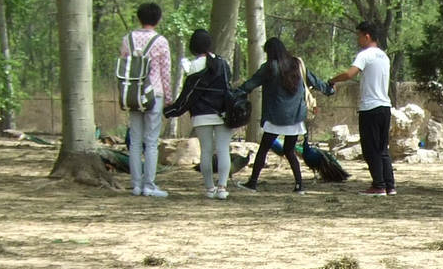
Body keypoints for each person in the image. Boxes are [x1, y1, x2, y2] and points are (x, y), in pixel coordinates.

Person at [235, 37, 333, 192]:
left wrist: (234, 93)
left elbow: (251, 84)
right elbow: (315, 81)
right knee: (289, 151)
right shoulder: (297, 65)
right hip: (295, 117)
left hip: (275, 117)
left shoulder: (269, 67)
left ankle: (252, 183)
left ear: (270, 52)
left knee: (263, 149)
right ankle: (299, 185)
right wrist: (329, 89)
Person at [163, 29, 233, 200]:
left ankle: (209, 188)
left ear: (193, 47)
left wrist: (171, 110)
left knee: (206, 151)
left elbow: (189, 93)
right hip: (224, 113)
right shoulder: (223, 63)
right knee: (223, 150)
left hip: (201, 115)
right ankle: (222, 187)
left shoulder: (194, 66)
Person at [329, 21, 395, 196]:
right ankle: (389, 185)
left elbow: (350, 74)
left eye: (358, 36)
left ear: (367, 36)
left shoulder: (365, 55)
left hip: (370, 108)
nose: (357, 40)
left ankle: (378, 185)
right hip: (385, 106)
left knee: (370, 148)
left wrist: (332, 80)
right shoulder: (384, 56)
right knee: (382, 148)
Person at [119, 2, 172, 198]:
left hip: (133, 93)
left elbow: (124, 65)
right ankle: (149, 185)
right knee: (151, 141)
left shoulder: (127, 39)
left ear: (139, 18)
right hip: (154, 93)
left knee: (135, 141)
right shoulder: (161, 41)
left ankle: (136, 184)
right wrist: (169, 97)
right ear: (157, 19)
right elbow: (165, 72)